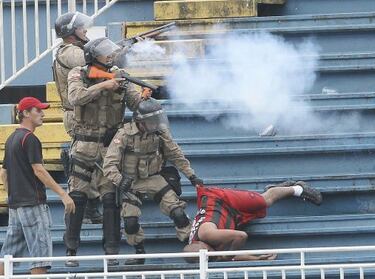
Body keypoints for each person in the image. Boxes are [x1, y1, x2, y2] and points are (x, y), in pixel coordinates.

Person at [64, 37, 151, 267]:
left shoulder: (119, 73)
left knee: (111, 199)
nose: (110, 56)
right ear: (93, 56)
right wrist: (104, 85)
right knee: (78, 197)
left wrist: (142, 96)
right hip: (84, 145)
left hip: (109, 148)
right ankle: (71, 250)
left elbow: (134, 104)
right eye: (105, 54)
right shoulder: (78, 73)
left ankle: (111, 251)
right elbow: (75, 97)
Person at [103, 98, 203, 265]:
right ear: (141, 122)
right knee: (130, 222)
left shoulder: (159, 133)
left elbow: (175, 155)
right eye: (152, 121)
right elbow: (109, 165)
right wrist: (120, 181)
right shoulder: (124, 135)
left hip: (154, 178)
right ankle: (139, 252)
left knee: (178, 213)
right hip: (131, 182)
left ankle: (192, 245)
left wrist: (191, 175)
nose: (156, 123)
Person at [0, 97, 75, 274]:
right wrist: (63, 195)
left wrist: (12, 197)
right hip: (33, 204)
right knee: (39, 257)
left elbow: (4, 173)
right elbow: (38, 170)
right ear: (26, 113)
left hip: (16, 206)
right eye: (38, 110)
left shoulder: (11, 139)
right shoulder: (30, 138)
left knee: (8, 257)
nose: (42, 114)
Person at [183, 181, 322, 262]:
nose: (211, 255)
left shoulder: (206, 235)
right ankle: (278, 189)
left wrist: (227, 255)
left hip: (224, 200)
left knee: (264, 201)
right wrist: (257, 258)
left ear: (201, 245)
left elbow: (240, 236)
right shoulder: (204, 253)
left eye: (208, 254)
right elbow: (229, 257)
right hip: (229, 214)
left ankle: (298, 189)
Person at [53, 11, 103, 224]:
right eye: (81, 28)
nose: (85, 30)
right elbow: (92, 60)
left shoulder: (75, 48)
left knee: (94, 161)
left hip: (85, 115)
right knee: (86, 162)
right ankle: (88, 207)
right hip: (77, 116)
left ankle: (90, 205)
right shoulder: (69, 52)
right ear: (71, 33)